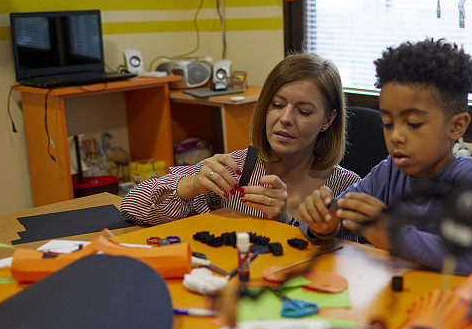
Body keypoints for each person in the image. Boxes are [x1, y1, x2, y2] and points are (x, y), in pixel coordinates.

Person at [297, 39, 472, 280]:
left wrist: (398, 237)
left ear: (456, 126)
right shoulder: (388, 173)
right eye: (388, 124)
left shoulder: (468, 178)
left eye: (413, 124)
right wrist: (322, 224)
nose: (396, 136)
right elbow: (325, 221)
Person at [121, 53, 361, 225]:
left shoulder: (345, 185)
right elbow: (131, 206)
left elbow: (347, 260)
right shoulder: (235, 168)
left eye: (304, 111)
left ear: (328, 120)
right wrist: (193, 185)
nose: (285, 119)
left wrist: (286, 223)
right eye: (277, 105)